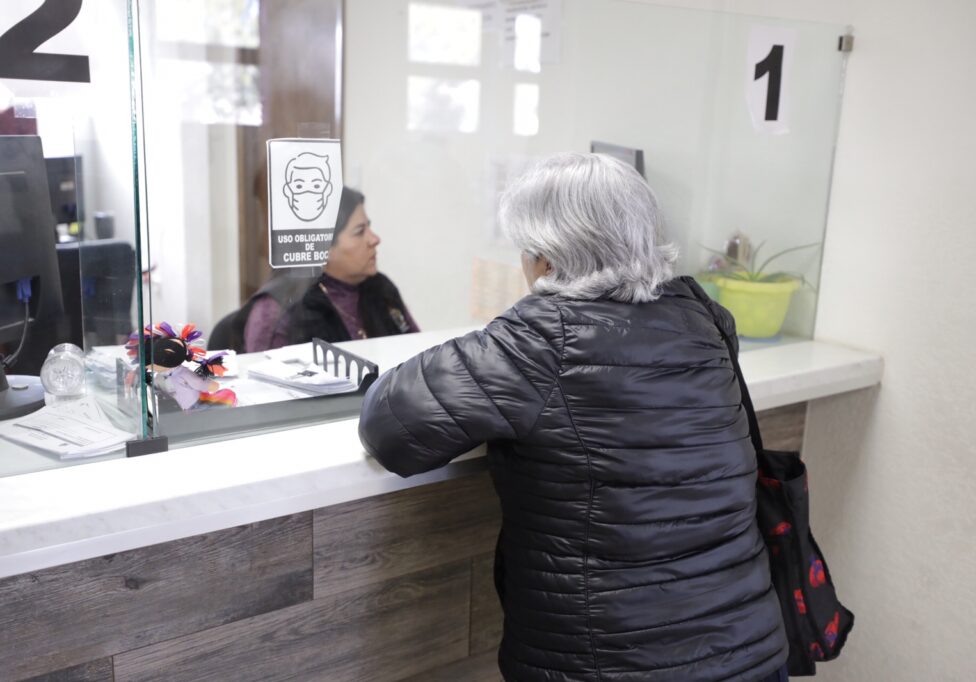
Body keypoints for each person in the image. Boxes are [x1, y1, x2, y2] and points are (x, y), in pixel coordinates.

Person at [358, 153, 789, 682]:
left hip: (609, 665)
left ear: (545, 259)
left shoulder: (539, 339)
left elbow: (390, 427)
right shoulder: (703, 317)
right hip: (751, 653)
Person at [235, 187, 418, 351]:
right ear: (323, 246)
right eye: (359, 232)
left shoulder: (380, 288)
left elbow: (419, 360)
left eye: (369, 227)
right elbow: (266, 376)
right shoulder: (278, 309)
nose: (374, 239)